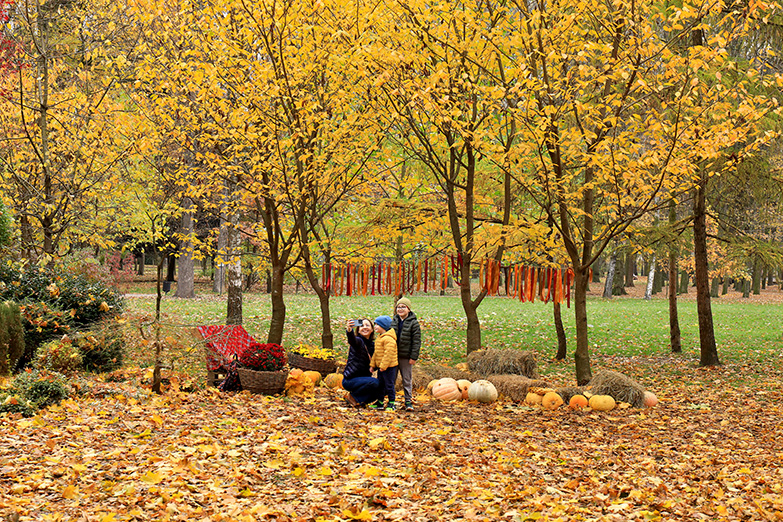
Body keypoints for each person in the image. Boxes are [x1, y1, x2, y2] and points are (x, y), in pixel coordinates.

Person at [342, 318, 382, 408]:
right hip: (350, 380)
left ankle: (358, 400)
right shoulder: (358, 341)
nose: (365, 327)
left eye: (367, 325)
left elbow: (375, 363)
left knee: (383, 386)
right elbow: (352, 340)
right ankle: (354, 397)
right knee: (375, 382)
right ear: (358, 330)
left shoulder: (373, 345)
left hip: (365, 380)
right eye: (362, 326)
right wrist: (349, 330)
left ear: (372, 330)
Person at [391, 296, 421, 411]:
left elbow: (416, 341)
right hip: (393, 355)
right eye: (398, 307)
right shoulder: (394, 321)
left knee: (406, 379)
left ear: (408, 309)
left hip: (406, 356)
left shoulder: (414, 323)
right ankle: (391, 400)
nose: (400, 309)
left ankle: (408, 401)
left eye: (403, 307)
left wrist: (413, 356)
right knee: (392, 379)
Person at [369, 315, 398, 411]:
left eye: (378, 325)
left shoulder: (389, 339)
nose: (375, 327)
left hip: (389, 367)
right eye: (375, 324)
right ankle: (380, 402)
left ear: (384, 326)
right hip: (381, 367)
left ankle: (392, 403)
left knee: (389, 385)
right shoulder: (380, 338)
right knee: (380, 384)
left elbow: (388, 354)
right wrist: (373, 365)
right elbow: (376, 354)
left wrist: (383, 366)